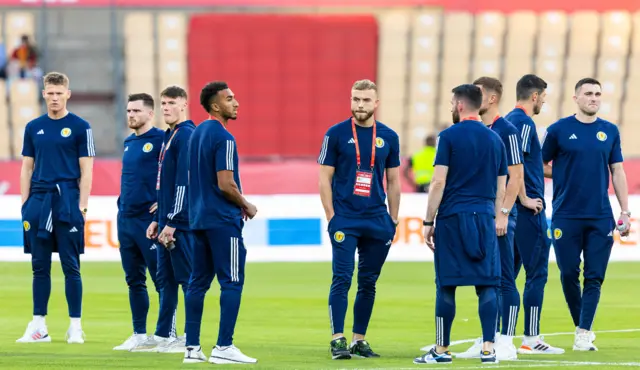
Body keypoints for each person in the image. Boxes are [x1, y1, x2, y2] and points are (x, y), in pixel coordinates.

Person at [414, 84, 506, 365]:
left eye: (453, 102)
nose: (451, 106)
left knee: (446, 285)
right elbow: (502, 186)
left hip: (454, 218)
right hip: (484, 217)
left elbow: (438, 181)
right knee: (487, 284)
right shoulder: (495, 140)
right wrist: (496, 215)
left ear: (461, 104)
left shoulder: (448, 137)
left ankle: (441, 351)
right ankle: (489, 349)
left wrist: (429, 220)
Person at [541, 78, 630, 351]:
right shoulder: (558, 130)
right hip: (566, 214)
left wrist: (625, 211)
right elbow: (541, 164)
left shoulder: (610, 131)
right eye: (588, 93)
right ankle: (581, 325)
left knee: (594, 276)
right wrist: (565, 174)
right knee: (568, 273)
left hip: (600, 215)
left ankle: (583, 331)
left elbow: (617, 171)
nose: (594, 98)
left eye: (597, 94)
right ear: (576, 98)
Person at [318, 79, 401, 360]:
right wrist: (332, 217)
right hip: (346, 218)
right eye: (356, 99)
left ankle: (359, 340)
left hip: (377, 220)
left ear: (376, 103)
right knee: (342, 278)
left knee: (368, 282)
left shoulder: (389, 136)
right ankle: (337, 339)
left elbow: (393, 181)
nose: (360, 105)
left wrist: (393, 219)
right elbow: (324, 179)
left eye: (366, 100)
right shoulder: (336, 134)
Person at [17, 72, 95, 344]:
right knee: (39, 266)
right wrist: (25, 206)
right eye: (50, 93)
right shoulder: (33, 127)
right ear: (43, 94)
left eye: (59, 93)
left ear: (68, 94)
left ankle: (75, 326)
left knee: (70, 266)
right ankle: (39, 326)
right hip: (38, 201)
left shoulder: (81, 126)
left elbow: (87, 171)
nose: (54, 98)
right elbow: (27, 168)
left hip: (67, 200)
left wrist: (82, 207)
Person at [183, 81, 258, 364]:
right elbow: (226, 183)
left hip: (199, 218)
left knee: (197, 283)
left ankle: (192, 349)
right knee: (232, 281)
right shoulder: (224, 138)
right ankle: (224, 347)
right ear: (216, 106)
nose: (236, 102)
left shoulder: (197, 133)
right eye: (229, 98)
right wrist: (246, 204)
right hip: (222, 220)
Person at [455, 77, 526, 361]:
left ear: (492, 98)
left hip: (502, 216)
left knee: (505, 278)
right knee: (486, 279)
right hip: (484, 215)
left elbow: (516, 175)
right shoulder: (484, 130)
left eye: (478, 93)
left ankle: (506, 340)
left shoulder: (507, 130)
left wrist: (504, 213)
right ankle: (489, 337)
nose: (473, 96)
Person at [133, 86, 196, 353]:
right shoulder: (170, 135)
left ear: (184, 104)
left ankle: (191, 337)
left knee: (187, 280)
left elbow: (185, 182)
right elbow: (166, 185)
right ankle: (164, 335)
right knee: (166, 279)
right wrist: (159, 218)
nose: (166, 107)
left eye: (171, 102)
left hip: (180, 224)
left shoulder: (187, 135)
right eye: (163, 103)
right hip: (167, 220)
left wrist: (172, 220)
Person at [505, 74, 564, 355]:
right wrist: (525, 198)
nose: (543, 102)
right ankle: (531, 337)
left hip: (510, 211)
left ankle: (500, 336)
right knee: (536, 273)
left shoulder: (506, 121)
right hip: (527, 212)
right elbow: (515, 164)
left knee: (507, 276)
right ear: (535, 96)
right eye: (543, 97)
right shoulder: (524, 123)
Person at [113, 93, 165, 351]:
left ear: (149, 114)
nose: (131, 115)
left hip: (148, 220)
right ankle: (139, 334)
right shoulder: (128, 142)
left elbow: (175, 174)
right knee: (134, 280)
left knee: (162, 280)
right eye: (128, 110)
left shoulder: (161, 139)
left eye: (136, 111)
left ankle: (168, 334)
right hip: (126, 220)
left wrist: (162, 205)